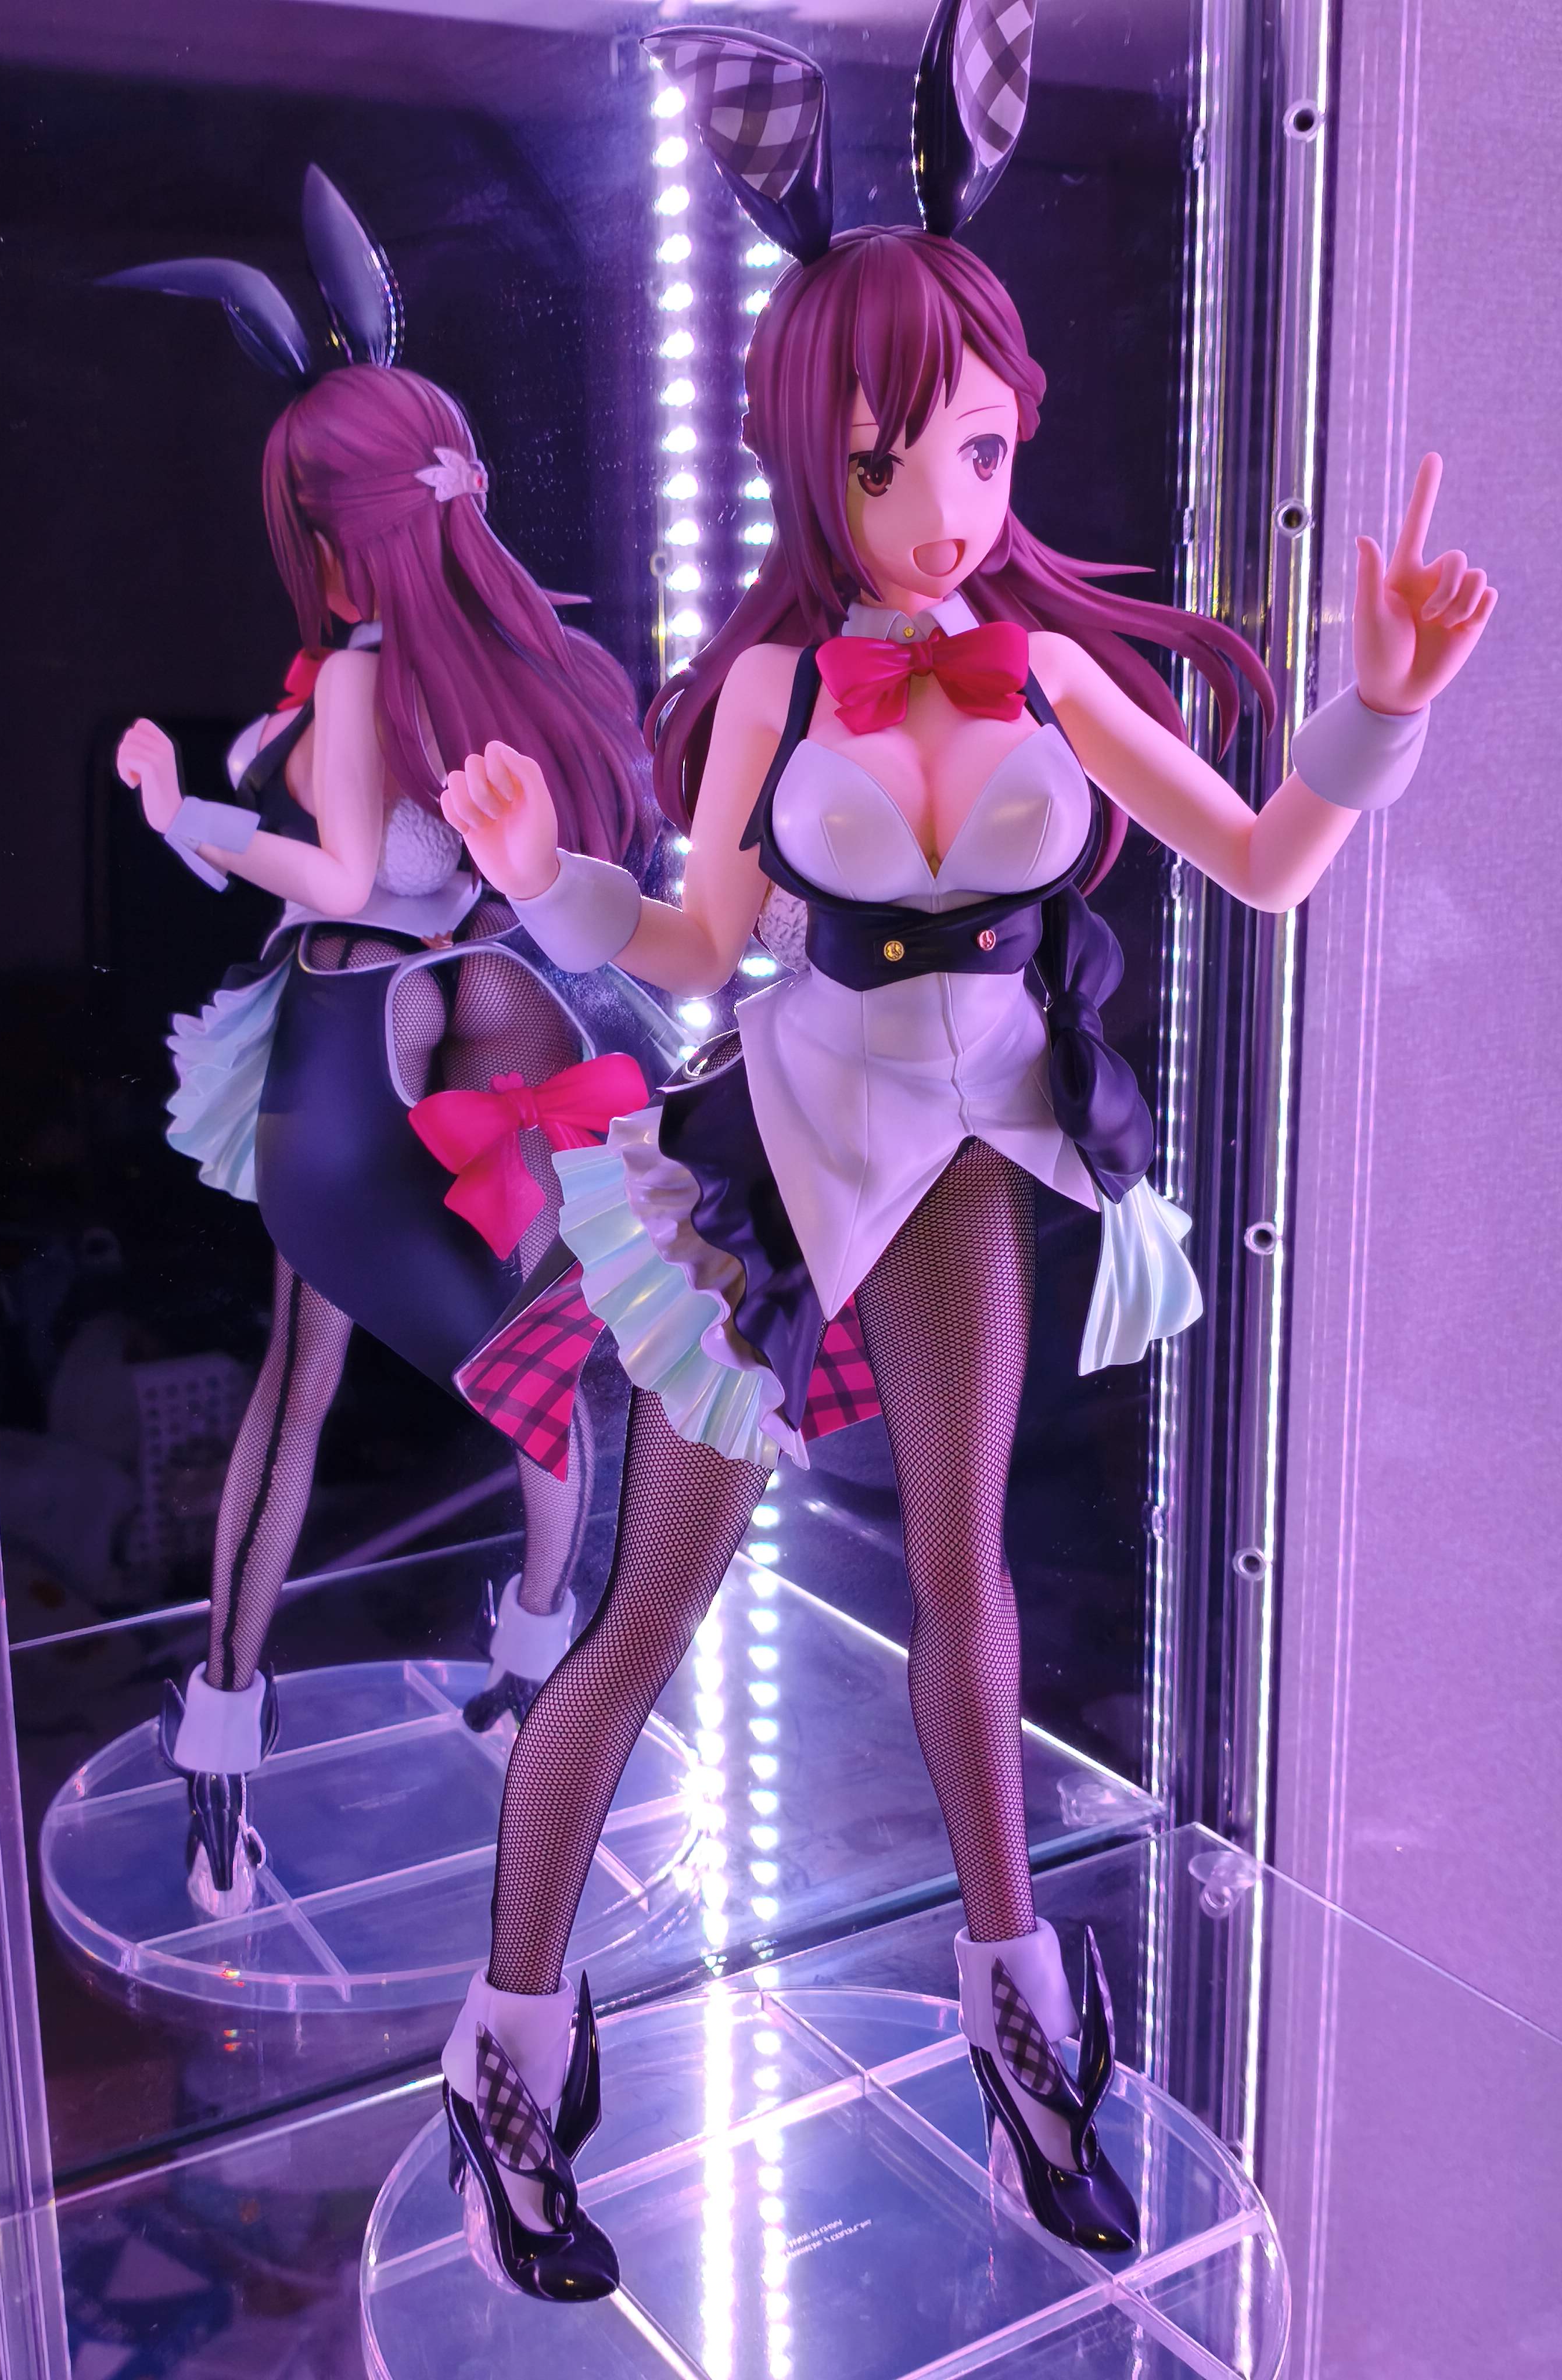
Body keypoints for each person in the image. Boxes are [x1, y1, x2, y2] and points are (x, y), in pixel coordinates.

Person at [423, 12, 1495, 2300]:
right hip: (780, 1152)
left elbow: (1267, 860)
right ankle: (504, 2049)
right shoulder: (772, 691)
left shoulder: (1047, 669)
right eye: (886, 458)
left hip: (974, 1158)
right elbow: (694, 942)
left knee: (965, 1586)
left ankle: (1022, 2036)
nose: (940, 506)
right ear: (811, 459)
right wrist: (544, 882)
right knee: (647, 1614)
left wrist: (1384, 707)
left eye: (978, 448)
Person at [110, 172, 674, 1917]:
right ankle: (516, 1668)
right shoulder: (505, 659)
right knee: (506, 1385)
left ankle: (257, 1728)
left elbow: (343, 876)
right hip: (409, 1045)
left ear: (331, 526)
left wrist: (184, 815)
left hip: (380, 1047)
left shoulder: (370, 672)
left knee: (382, 1385)